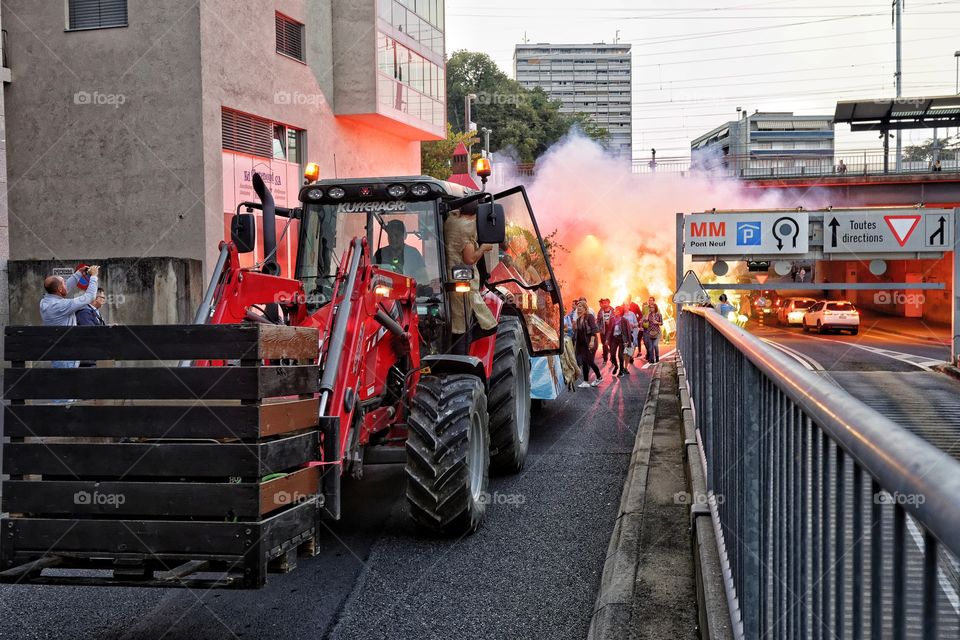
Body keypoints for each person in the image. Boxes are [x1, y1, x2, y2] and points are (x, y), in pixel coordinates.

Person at [443, 205, 497, 354]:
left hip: (448, 279)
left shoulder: (450, 220)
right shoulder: (467, 227)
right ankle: (461, 358)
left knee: (460, 325)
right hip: (464, 283)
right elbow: (469, 258)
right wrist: (483, 248)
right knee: (472, 327)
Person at [41, 265, 100, 366]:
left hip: (58, 352)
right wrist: (94, 276)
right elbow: (90, 297)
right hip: (66, 355)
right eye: (64, 282)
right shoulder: (61, 305)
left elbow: (63, 289)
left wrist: (79, 273)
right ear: (59, 289)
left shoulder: (45, 301)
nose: (66, 284)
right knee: (67, 380)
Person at [374, 219, 428, 284]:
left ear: (404, 236)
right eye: (390, 235)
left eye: (397, 235)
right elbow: (372, 274)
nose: (393, 239)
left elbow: (423, 279)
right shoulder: (379, 253)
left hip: (409, 291)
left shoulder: (413, 254)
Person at [573, 300, 602, 388]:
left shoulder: (590, 317)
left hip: (590, 342)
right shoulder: (578, 320)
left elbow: (594, 330)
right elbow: (579, 333)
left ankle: (599, 377)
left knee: (590, 361)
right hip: (582, 344)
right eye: (577, 308)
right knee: (585, 362)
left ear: (585, 308)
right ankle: (585, 382)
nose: (578, 309)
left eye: (580, 307)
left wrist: (592, 341)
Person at [76, 288, 107, 368]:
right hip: (84, 357)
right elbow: (90, 332)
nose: (104, 300)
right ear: (95, 298)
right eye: (103, 297)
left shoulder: (94, 312)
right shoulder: (84, 312)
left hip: (91, 355)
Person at [605, 306, 632, 377]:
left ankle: (621, 370)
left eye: (617, 310)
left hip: (621, 339)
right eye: (615, 310)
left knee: (620, 355)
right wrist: (607, 339)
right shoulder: (612, 319)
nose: (615, 312)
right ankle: (616, 366)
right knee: (612, 355)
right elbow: (609, 330)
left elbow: (627, 332)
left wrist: (628, 341)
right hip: (614, 339)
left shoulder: (624, 320)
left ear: (620, 312)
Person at [596, 298, 614, 366]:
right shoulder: (600, 311)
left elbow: (615, 319)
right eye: (603, 303)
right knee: (604, 345)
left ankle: (612, 358)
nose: (604, 304)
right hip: (603, 331)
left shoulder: (612, 310)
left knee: (611, 345)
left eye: (606, 303)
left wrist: (610, 322)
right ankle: (605, 359)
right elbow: (598, 320)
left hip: (611, 331)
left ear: (609, 303)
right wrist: (598, 328)